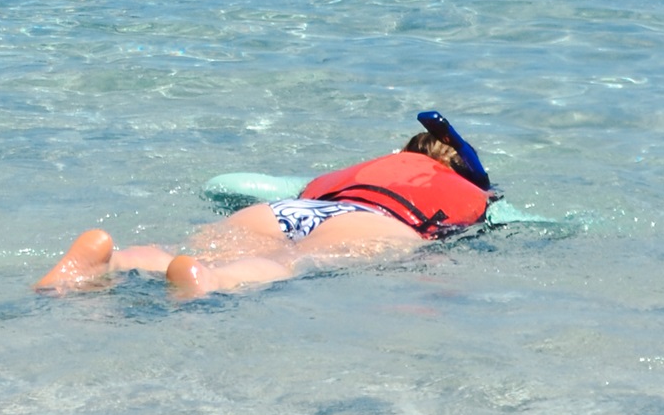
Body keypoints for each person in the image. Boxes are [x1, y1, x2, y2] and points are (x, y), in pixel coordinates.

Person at [35, 112, 495, 301]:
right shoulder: (466, 190)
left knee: (200, 248)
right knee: (289, 263)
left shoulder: (361, 171)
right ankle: (213, 282)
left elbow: (231, 185)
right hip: (373, 223)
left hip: (290, 210)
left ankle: (109, 261)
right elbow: (520, 221)